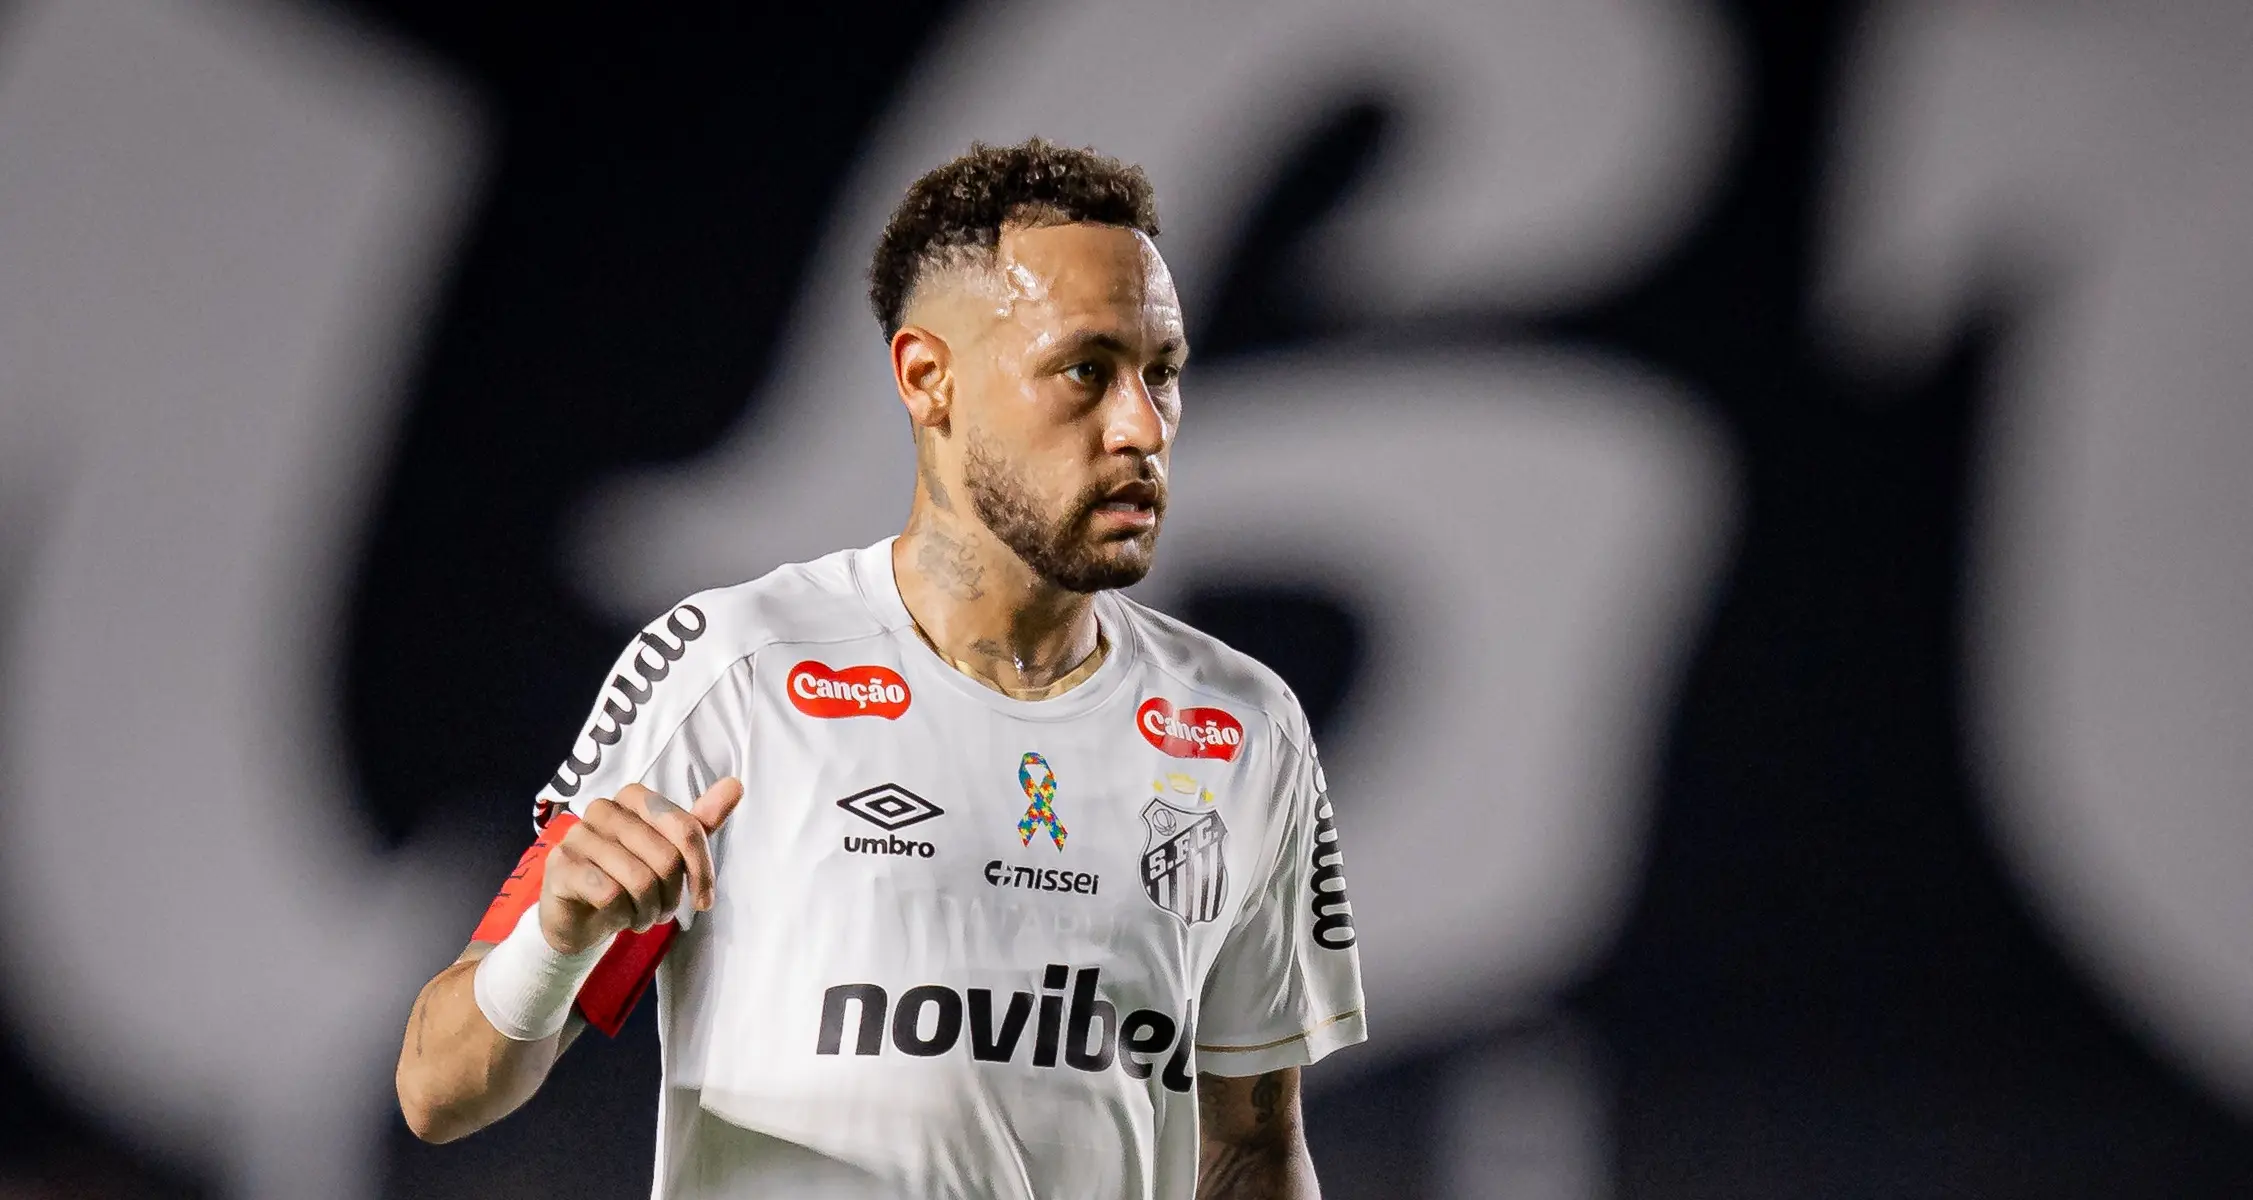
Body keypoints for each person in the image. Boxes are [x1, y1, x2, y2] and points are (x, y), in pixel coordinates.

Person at [394, 138, 1365, 1199]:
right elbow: (439, 1091)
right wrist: (557, 937)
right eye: (1085, 370)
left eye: (1161, 373)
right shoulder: (740, 670)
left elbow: (1250, 1146)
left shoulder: (1239, 724)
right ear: (927, 378)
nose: (1141, 426)